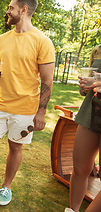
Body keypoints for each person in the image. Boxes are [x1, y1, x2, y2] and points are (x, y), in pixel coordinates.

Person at [0, 0, 55, 206]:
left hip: (26, 107)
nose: (8, 11)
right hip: (1, 103)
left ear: (23, 10)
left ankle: (6, 186)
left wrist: (41, 112)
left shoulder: (42, 41)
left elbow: (47, 81)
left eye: (11, 8)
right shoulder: (2, 39)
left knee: (15, 147)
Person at [65, 45, 101, 212]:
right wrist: (85, 86)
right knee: (79, 169)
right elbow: (90, 83)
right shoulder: (97, 49)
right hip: (90, 114)